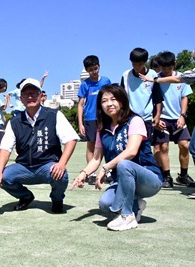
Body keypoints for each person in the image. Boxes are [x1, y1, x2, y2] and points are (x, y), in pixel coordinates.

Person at [71, 84, 162, 231]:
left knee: (124, 164)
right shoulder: (102, 129)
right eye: (104, 101)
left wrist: (106, 167)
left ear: (122, 101)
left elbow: (131, 151)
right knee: (106, 205)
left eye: (113, 99)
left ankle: (127, 216)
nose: (109, 104)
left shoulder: (135, 121)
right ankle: (135, 205)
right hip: (124, 181)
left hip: (148, 179)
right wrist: (83, 173)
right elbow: (96, 158)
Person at [0, 78, 79, 213]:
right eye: (26, 94)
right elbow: (5, 148)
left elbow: (71, 139)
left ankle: (57, 199)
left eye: (34, 93)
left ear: (41, 95)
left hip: (47, 166)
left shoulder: (54, 115)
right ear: (20, 98)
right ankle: (25, 197)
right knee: (4, 177)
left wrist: (61, 163)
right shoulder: (14, 122)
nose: (30, 96)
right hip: (24, 167)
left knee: (61, 175)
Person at [150, 51, 193, 188]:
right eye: (163, 68)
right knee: (163, 147)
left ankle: (183, 175)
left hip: (178, 118)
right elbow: (152, 100)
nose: (167, 71)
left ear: (174, 64)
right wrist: (155, 118)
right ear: (160, 67)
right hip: (162, 118)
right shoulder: (155, 80)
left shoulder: (183, 77)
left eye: (169, 68)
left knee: (185, 145)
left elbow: (184, 97)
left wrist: (182, 115)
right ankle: (166, 176)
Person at [77, 55, 111, 185]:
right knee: (91, 146)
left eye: (95, 68)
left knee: (107, 145)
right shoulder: (84, 84)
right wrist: (80, 123)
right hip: (90, 118)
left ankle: (108, 171)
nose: (94, 71)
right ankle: (90, 173)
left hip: (105, 117)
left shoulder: (106, 81)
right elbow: (80, 104)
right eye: (91, 69)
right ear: (87, 70)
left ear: (99, 66)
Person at [121, 47, 163, 141]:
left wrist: (157, 116)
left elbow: (158, 98)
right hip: (130, 118)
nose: (136, 67)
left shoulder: (152, 75)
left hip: (147, 118)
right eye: (133, 64)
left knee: (145, 148)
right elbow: (122, 97)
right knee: (131, 147)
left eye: (139, 64)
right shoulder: (126, 75)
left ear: (145, 62)